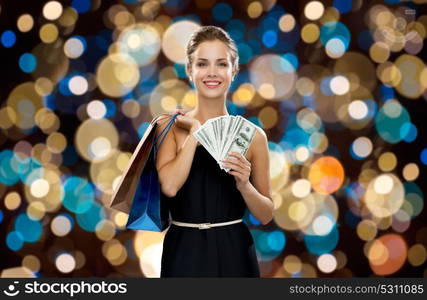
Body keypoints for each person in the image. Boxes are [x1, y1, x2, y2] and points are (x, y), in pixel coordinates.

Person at [155, 25, 273, 277]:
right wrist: (195, 134)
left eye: (221, 64)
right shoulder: (169, 126)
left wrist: (244, 185)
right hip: (183, 250)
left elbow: (265, 214)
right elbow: (170, 187)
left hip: (235, 251)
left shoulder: (253, 136)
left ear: (234, 70)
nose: (211, 73)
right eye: (202, 64)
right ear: (189, 70)